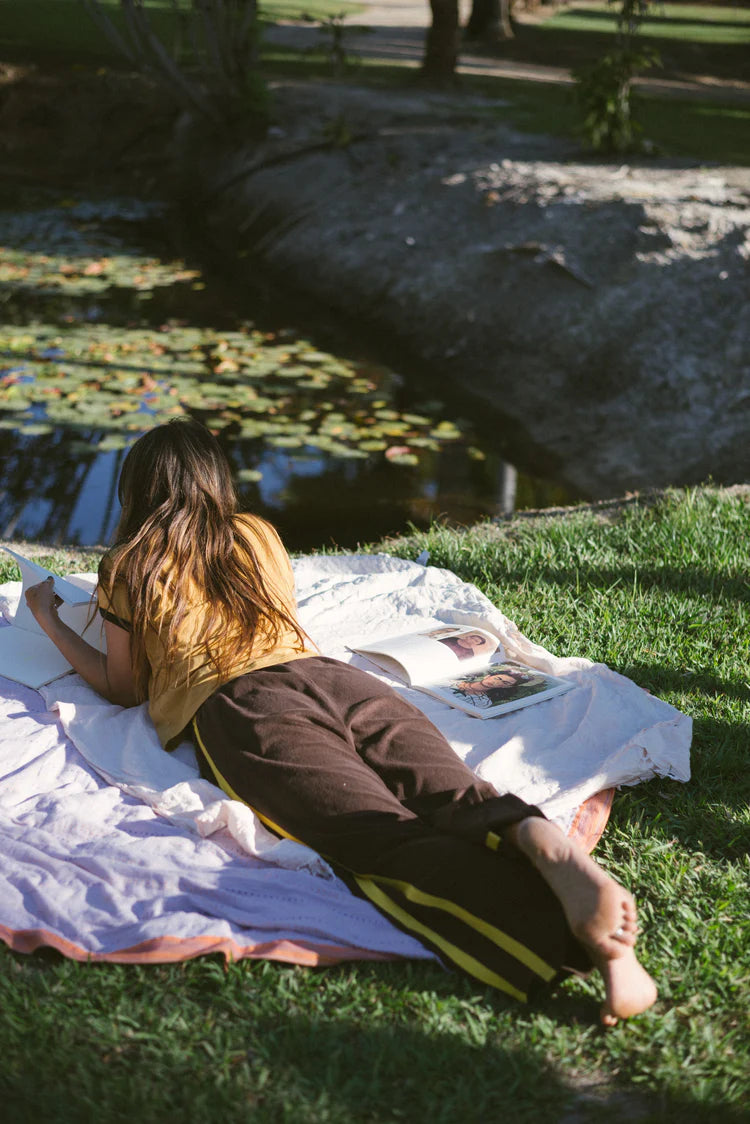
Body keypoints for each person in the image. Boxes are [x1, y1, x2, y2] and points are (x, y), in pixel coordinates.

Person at [25, 419, 656, 1025]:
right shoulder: (256, 534)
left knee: (374, 834)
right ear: (216, 480)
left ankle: (568, 945)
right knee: (454, 790)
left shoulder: (130, 564)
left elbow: (123, 688)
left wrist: (51, 619)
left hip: (242, 709)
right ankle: (536, 836)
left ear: (137, 490)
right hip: (333, 680)